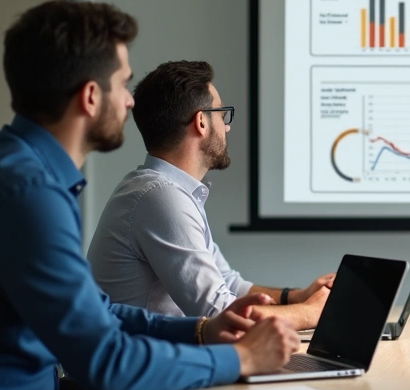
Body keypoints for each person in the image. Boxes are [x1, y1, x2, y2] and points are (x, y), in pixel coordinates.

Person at [0, 1, 299, 390]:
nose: (132, 101)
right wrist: (239, 360)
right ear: (91, 96)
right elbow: (106, 363)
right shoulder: (26, 193)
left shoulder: (12, 169)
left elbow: (99, 313)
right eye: (123, 84)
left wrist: (202, 331)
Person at [89, 60, 333, 329]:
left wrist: (297, 297)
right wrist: (311, 313)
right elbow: (218, 313)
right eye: (222, 114)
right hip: (140, 368)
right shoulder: (159, 197)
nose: (227, 127)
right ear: (202, 121)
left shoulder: (170, 192)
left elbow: (229, 283)